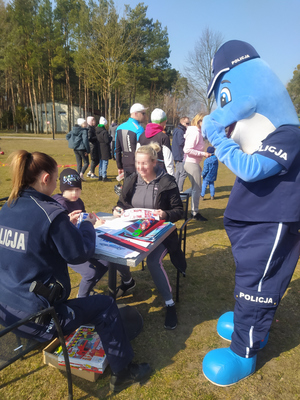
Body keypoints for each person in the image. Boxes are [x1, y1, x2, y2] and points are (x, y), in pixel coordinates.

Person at [0, 150, 151, 392]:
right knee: (105, 305)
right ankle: (123, 371)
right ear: (46, 178)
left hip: (6, 313)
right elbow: (79, 253)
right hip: (39, 317)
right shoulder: (50, 213)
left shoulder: (7, 207)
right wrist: (86, 225)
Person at [112, 143, 187, 330]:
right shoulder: (131, 179)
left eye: (144, 164)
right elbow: (122, 203)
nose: (140, 168)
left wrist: (165, 214)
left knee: (153, 262)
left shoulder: (166, 181)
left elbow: (179, 211)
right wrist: (118, 209)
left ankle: (169, 304)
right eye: (138, 163)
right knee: (114, 252)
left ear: (154, 162)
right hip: (135, 230)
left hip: (161, 234)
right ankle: (128, 281)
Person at [53, 168, 109, 297]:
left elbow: (82, 221)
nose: (74, 193)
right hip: (66, 250)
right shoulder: (59, 205)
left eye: (77, 189)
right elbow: (63, 233)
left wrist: (92, 222)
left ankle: (87, 289)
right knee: (90, 274)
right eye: (70, 190)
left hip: (80, 242)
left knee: (106, 263)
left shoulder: (78, 202)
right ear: (62, 190)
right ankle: (81, 298)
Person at [183, 113, 210, 221]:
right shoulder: (195, 133)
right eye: (205, 121)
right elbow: (187, 149)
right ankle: (194, 213)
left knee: (196, 188)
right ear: (199, 121)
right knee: (196, 189)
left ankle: (179, 198)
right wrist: (203, 154)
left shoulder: (198, 132)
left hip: (193, 163)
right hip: (190, 162)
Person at [138, 108, 174, 176]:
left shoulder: (141, 136)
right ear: (162, 122)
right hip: (160, 173)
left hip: (145, 172)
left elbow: (137, 155)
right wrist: (171, 177)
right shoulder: (163, 137)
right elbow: (168, 160)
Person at [115, 103, 147, 179]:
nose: (144, 116)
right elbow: (141, 150)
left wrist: (119, 166)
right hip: (136, 165)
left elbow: (117, 149)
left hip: (124, 163)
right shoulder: (139, 129)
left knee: (127, 187)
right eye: (143, 113)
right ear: (136, 113)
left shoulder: (119, 127)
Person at [172, 116, 190, 192]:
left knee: (178, 173)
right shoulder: (181, 131)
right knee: (183, 173)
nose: (188, 125)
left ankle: (175, 189)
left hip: (176, 154)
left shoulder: (177, 130)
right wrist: (188, 140)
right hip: (179, 155)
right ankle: (179, 191)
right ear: (182, 123)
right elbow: (181, 142)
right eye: (187, 123)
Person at [96, 117, 112, 182]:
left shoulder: (97, 131)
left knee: (101, 162)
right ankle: (104, 176)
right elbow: (107, 141)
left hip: (99, 147)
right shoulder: (104, 132)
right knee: (105, 162)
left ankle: (100, 175)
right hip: (105, 148)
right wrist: (110, 138)